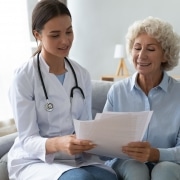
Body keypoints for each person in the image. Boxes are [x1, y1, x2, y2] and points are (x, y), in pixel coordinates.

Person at [7, 0, 117, 180]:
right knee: (80, 179)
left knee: (108, 177)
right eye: (55, 35)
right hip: (35, 160)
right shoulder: (24, 77)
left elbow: (85, 125)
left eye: (69, 31)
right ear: (38, 35)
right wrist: (58, 144)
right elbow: (27, 140)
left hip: (75, 158)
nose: (65, 40)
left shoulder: (81, 74)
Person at [103, 16, 180, 180]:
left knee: (163, 171)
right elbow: (104, 143)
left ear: (165, 55)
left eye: (150, 49)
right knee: (135, 169)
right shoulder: (117, 91)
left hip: (169, 163)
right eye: (137, 48)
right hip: (126, 162)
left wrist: (156, 154)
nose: (141, 55)